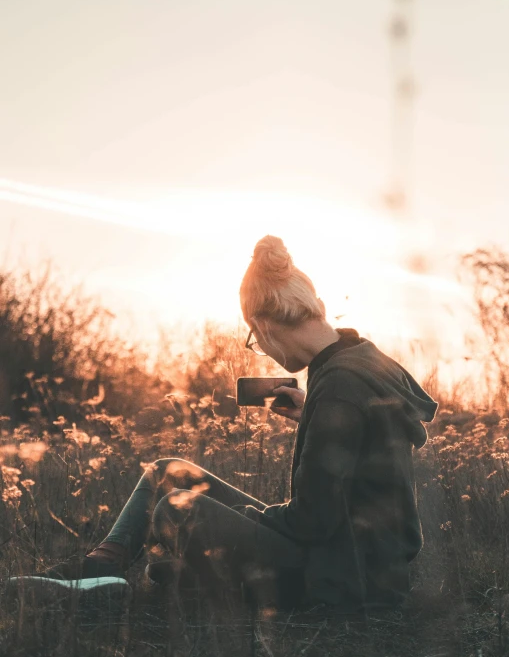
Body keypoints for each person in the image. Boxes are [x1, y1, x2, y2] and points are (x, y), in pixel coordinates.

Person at [9, 234, 438, 613]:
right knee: (167, 471)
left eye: (254, 339)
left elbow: (312, 523)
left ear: (263, 326)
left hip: (346, 577)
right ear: (318, 308)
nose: (261, 348)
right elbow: (364, 446)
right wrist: (314, 415)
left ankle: (153, 584)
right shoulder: (363, 360)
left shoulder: (340, 386)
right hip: (360, 561)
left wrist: (245, 519)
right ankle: (97, 573)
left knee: (178, 506)